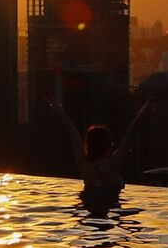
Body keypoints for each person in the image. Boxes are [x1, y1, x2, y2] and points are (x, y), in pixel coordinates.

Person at [50, 80, 151, 213]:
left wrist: (59, 111)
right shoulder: (114, 164)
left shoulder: (84, 164)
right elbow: (130, 135)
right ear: (109, 145)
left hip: (87, 207)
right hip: (111, 208)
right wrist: (145, 110)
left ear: (88, 144)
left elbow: (73, 133)